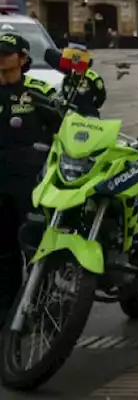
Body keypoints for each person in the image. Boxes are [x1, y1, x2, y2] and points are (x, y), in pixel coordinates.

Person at [0, 34, 62, 314]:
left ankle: (43, 306)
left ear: (22, 58)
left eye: (6, 53)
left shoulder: (39, 93)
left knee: (36, 247)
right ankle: (6, 309)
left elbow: (65, 126)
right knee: (4, 251)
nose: (1, 57)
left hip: (32, 183)